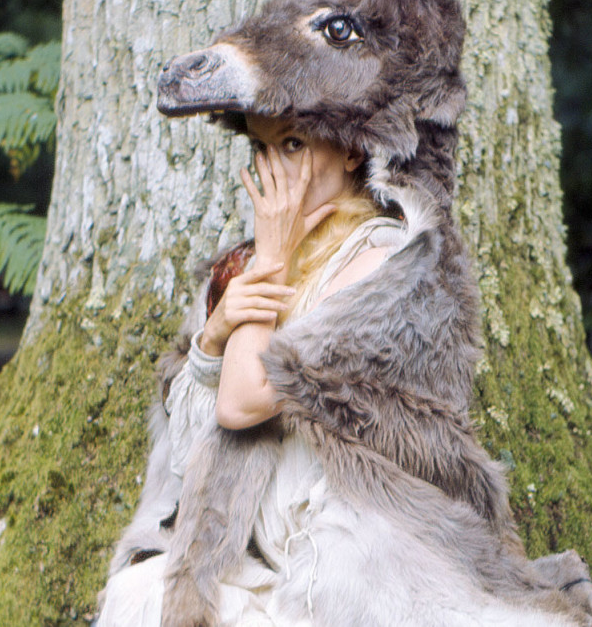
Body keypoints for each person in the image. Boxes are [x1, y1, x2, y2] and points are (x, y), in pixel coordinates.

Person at [96, 113, 406, 626]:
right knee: (136, 597)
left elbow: (241, 404)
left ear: (351, 150)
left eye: (292, 143)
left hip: (342, 577)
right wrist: (213, 339)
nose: (272, 173)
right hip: (249, 563)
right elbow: (191, 458)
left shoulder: (382, 262)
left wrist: (270, 261)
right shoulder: (235, 271)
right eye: (261, 149)